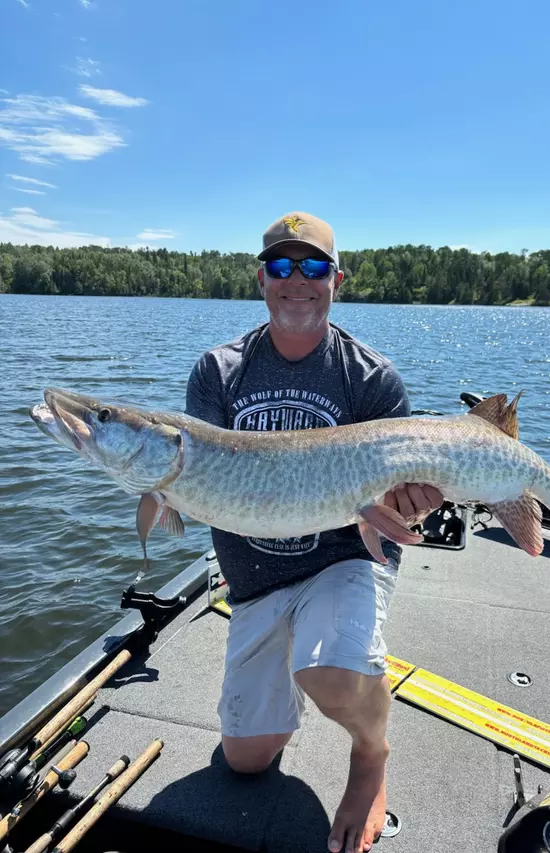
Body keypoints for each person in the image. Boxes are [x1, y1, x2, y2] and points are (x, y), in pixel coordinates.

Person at [186, 212, 443, 853]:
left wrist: (413, 504)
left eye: (312, 266)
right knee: (246, 760)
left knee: (327, 670)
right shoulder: (218, 372)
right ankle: (304, 670)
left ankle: (371, 750)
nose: (296, 279)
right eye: (281, 266)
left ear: (337, 280)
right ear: (261, 279)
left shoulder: (371, 378)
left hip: (345, 561)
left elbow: (397, 509)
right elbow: (198, 486)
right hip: (254, 581)